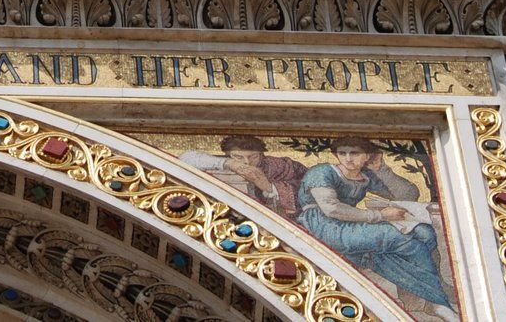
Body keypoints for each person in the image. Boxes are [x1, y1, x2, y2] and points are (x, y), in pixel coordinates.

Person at [297, 140, 458, 320]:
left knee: (425, 233)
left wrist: (382, 170)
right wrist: (380, 216)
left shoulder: (365, 176)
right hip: (326, 227)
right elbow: (331, 209)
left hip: (352, 223)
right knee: (402, 239)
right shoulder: (322, 172)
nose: (348, 159)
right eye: (342, 153)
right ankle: (438, 302)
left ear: (367, 156)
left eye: (355, 153)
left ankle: (416, 298)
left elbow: (409, 194)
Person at [188, 135, 306, 216]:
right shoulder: (223, 163)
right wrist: (229, 163)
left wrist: (271, 187)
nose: (247, 162)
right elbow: (184, 159)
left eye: (253, 156)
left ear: (261, 154)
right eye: (239, 157)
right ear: (228, 155)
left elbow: (308, 186)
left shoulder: (282, 166)